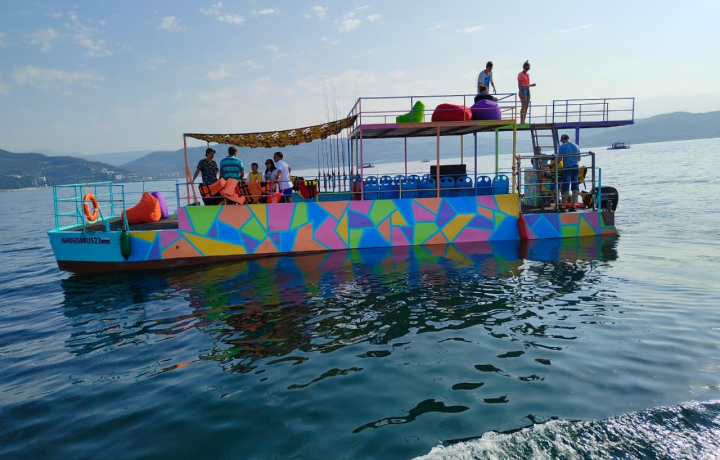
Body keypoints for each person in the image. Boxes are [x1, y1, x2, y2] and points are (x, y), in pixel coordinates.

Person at [558, 134, 581, 211]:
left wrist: (552, 165)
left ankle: (563, 206)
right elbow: (579, 159)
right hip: (576, 167)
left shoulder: (562, 147)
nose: (561, 142)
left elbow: (559, 159)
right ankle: (573, 206)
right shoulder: (576, 146)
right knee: (575, 187)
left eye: (561, 140)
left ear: (563, 139)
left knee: (565, 187)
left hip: (567, 168)